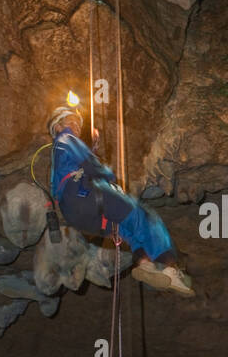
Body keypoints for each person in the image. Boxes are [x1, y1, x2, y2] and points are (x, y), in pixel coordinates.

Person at [47, 104, 194, 297]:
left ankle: (145, 264)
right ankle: (168, 266)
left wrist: (93, 149)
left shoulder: (56, 159)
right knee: (145, 217)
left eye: (77, 122)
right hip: (84, 194)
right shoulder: (66, 137)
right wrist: (107, 172)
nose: (75, 125)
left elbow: (69, 176)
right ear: (58, 127)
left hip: (76, 215)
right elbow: (92, 167)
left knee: (127, 229)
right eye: (70, 121)